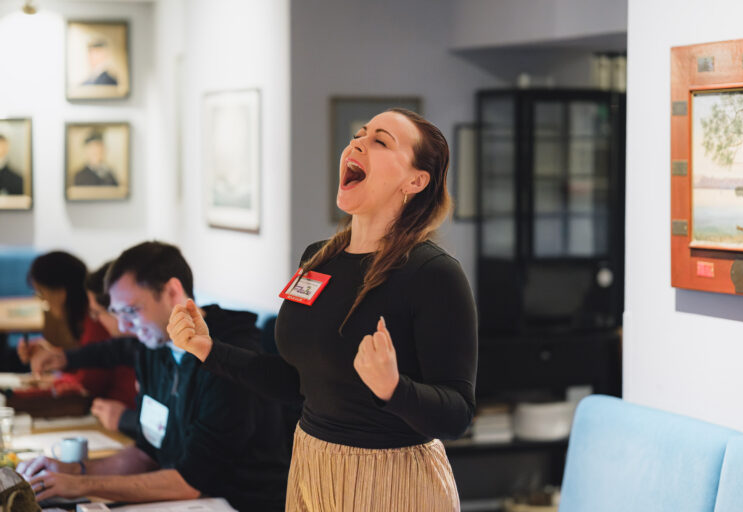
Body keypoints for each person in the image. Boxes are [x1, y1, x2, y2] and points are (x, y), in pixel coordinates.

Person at [169, 108, 478, 511]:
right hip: (312, 467)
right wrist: (208, 350)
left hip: (392, 480)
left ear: (415, 181)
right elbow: (296, 382)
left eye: (380, 141)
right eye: (360, 134)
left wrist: (393, 389)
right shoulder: (318, 259)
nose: (357, 143)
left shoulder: (434, 274)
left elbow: (457, 415)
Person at [19, 241, 290, 511]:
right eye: (117, 313)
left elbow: (189, 483)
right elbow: (146, 453)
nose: (124, 326)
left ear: (172, 292)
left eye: (131, 311)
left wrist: (80, 485)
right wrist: (73, 470)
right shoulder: (154, 347)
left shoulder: (228, 360)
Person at [25, 262, 141, 438]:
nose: (126, 324)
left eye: (42, 293)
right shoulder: (131, 342)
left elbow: (91, 382)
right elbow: (113, 351)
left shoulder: (99, 326)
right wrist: (63, 358)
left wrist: (128, 419)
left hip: (120, 421)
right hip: (118, 419)